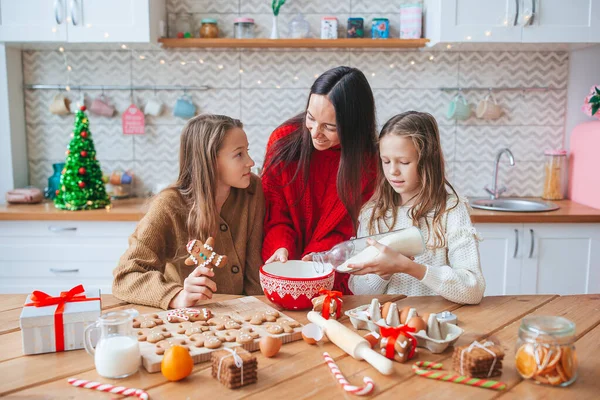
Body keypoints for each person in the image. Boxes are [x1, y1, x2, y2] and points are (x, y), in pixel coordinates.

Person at [113, 114, 265, 309]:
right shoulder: (168, 206)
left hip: (244, 316)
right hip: (192, 318)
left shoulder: (252, 191)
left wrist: (261, 311)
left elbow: (254, 267)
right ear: (210, 161)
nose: (251, 162)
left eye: (247, 151)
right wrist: (177, 296)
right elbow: (125, 275)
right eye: (239, 154)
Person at [261, 66, 378, 294]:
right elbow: (274, 212)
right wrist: (280, 245)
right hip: (282, 273)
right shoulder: (283, 141)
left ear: (353, 126)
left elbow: (349, 232)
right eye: (311, 118)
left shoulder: (370, 162)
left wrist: (315, 260)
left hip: (334, 278)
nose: (315, 132)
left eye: (330, 127)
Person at [348, 111, 485, 304]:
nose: (393, 171)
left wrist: (410, 268)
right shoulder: (374, 213)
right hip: (388, 325)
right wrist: (384, 272)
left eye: (404, 162)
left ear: (427, 160)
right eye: (386, 161)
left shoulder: (451, 210)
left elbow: (473, 290)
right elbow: (358, 290)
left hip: (438, 324)